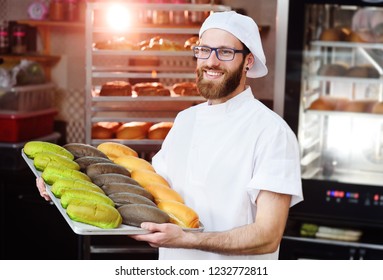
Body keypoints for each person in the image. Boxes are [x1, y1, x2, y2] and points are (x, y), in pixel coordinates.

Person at [36, 11, 303, 260]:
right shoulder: (186, 120)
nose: (211, 61)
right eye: (204, 50)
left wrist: (189, 240)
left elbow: (268, 235)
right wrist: (68, 182)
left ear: (248, 61)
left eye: (225, 52)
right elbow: (148, 186)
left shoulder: (271, 132)